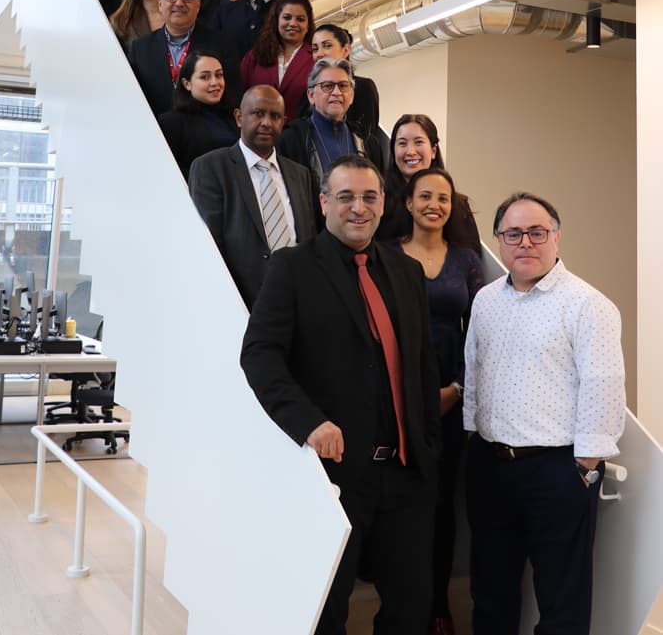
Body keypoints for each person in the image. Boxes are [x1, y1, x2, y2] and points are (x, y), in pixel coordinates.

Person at [241, 155, 441, 635]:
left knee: (410, 607)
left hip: (407, 473)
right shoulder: (292, 269)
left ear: (383, 203)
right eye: (346, 196)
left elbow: (422, 364)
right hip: (335, 478)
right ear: (324, 202)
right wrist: (308, 422)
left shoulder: (407, 271)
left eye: (369, 197)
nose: (359, 208)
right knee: (327, 610)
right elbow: (260, 355)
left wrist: (429, 441)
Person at [464, 191, 626, 635]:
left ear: (556, 237)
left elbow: (604, 385)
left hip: (558, 469)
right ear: (499, 240)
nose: (525, 243)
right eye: (513, 233)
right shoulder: (486, 300)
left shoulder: (587, 304)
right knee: (491, 589)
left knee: (561, 598)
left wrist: (586, 464)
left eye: (537, 232)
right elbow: (474, 369)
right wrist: (470, 432)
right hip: (490, 465)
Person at [398, 168, 484, 635]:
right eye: (425, 196)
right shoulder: (385, 254)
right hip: (396, 399)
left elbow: (480, 332)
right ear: (408, 202)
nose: (435, 204)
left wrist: (457, 389)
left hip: (451, 399)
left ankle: (437, 605)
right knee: (401, 503)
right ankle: (403, 603)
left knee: (442, 504)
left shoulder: (467, 260)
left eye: (444, 198)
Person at [189, 85, 317, 309]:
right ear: (239, 117)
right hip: (241, 305)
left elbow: (308, 240)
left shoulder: (301, 174)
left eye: (275, 116)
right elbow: (210, 248)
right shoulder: (211, 168)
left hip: (300, 301)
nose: (267, 122)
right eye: (258, 113)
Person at [128, 0, 241, 117]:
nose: (179, 3)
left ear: (198, 5)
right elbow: (134, 101)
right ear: (160, 4)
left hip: (205, 135)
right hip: (155, 134)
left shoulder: (222, 45)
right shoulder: (140, 49)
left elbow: (232, 98)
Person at [278, 57, 384, 197]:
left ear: (351, 96)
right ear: (311, 95)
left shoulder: (368, 142)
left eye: (343, 85)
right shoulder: (291, 141)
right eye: (327, 86)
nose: (336, 92)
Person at [378, 113, 481, 254]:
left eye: (419, 142)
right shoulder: (380, 203)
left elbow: (473, 259)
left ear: (433, 150)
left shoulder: (458, 205)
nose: (410, 151)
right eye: (402, 143)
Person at [158, 51, 238, 180]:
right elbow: (167, 172)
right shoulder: (171, 122)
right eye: (205, 77)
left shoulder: (233, 116)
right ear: (187, 84)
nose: (215, 82)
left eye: (219, 75)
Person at [241, 0, 315, 122]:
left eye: (300, 19)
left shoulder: (316, 59)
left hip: (300, 137)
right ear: (276, 20)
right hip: (257, 134)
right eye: (287, 17)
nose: (293, 23)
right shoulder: (255, 56)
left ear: (308, 25)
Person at [308, 24, 380, 139]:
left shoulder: (363, 87)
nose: (319, 53)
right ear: (310, 95)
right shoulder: (310, 89)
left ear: (346, 50)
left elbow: (368, 137)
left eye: (327, 46)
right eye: (315, 49)